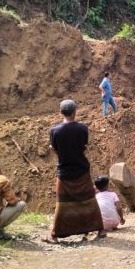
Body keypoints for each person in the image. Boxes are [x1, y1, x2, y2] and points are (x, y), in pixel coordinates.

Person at [46, 99, 106, 243]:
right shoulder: (82, 128)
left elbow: (54, 149)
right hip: (81, 170)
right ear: (74, 112)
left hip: (64, 172)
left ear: (61, 112)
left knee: (62, 203)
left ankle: (54, 235)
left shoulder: (54, 131)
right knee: (89, 200)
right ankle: (100, 229)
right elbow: (83, 146)